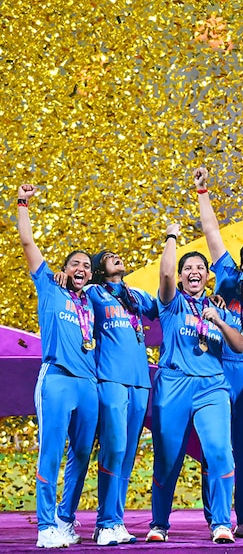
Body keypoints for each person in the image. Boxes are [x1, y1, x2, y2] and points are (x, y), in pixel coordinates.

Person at [147, 223, 243, 544]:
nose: (194, 272)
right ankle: (159, 524)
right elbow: (164, 277)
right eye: (187, 268)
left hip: (212, 387)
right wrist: (172, 237)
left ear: (207, 276)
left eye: (200, 268)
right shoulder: (171, 302)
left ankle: (220, 522)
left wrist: (218, 319)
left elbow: (239, 345)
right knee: (168, 459)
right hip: (173, 384)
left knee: (219, 452)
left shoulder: (218, 308)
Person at [16, 184, 99, 549]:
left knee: (81, 454)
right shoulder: (50, 286)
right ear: (63, 269)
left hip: (89, 384)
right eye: (75, 263)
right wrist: (23, 203)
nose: (80, 268)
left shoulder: (93, 300)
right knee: (51, 450)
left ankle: (65, 519)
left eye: (86, 265)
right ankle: (45, 525)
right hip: (57, 378)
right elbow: (27, 244)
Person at [194, 167, 243, 538]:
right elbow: (211, 234)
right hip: (220, 372)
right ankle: (215, 516)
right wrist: (203, 192)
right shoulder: (226, 279)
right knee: (216, 448)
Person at [85, 250, 158, 546]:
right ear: (98, 268)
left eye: (118, 254)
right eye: (108, 256)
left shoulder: (134, 295)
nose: (116, 257)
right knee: (113, 449)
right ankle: (105, 522)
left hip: (140, 381)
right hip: (111, 378)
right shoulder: (93, 292)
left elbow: (165, 303)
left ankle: (116, 521)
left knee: (127, 454)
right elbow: (69, 294)